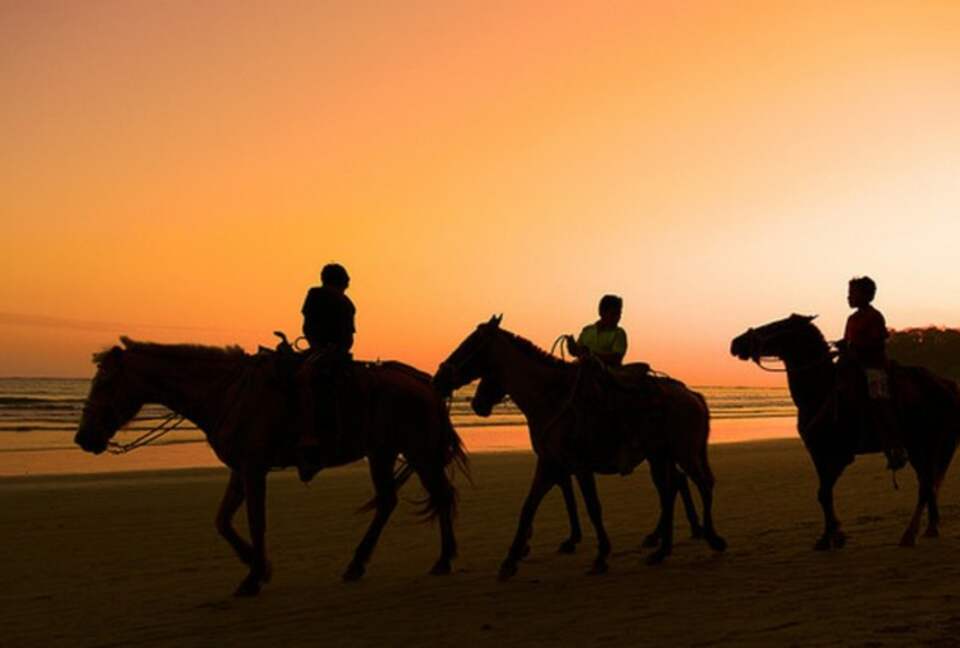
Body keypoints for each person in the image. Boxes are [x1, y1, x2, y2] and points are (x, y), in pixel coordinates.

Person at [838, 276, 905, 470]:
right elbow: (848, 343)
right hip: (852, 366)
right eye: (848, 293)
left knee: (879, 401)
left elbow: (877, 343)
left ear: (866, 296)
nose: (848, 297)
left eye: (853, 293)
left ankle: (895, 447)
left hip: (873, 367)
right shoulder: (851, 318)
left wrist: (854, 347)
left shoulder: (874, 316)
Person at [296, 263, 356, 482]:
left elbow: (308, 327)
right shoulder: (346, 302)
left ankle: (309, 437)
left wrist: (320, 348)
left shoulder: (317, 295)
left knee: (303, 378)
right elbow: (348, 338)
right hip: (334, 352)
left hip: (325, 353)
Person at [565, 294, 628, 367]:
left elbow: (616, 358)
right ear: (601, 312)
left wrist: (592, 355)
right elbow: (577, 352)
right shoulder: (587, 331)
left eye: (619, 314)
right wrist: (572, 348)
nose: (618, 317)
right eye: (613, 314)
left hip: (607, 374)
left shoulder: (619, 333)